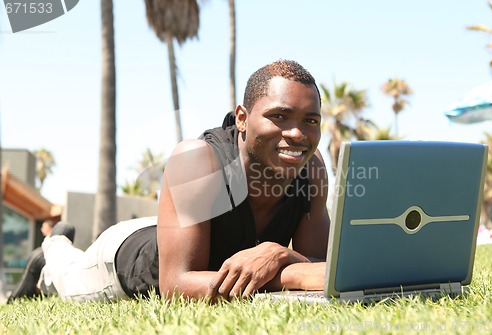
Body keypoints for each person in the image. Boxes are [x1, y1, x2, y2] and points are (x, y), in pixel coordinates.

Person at [38, 59, 331, 302]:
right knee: (66, 274)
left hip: (172, 229)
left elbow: (318, 265)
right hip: (123, 258)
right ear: (242, 118)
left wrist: (279, 254)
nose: (297, 133)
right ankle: (53, 247)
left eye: (310, 120)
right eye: (279, 115)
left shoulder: (312, 169)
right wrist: (289, 272)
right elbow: (176, 285)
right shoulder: (197, 159)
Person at [6, 219, 75, 303]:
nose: (42, 229)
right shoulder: (75, 254)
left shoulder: (41, 252)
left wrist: (12, 299)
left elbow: (24, 283)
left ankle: (13, 300)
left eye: (44, 227)